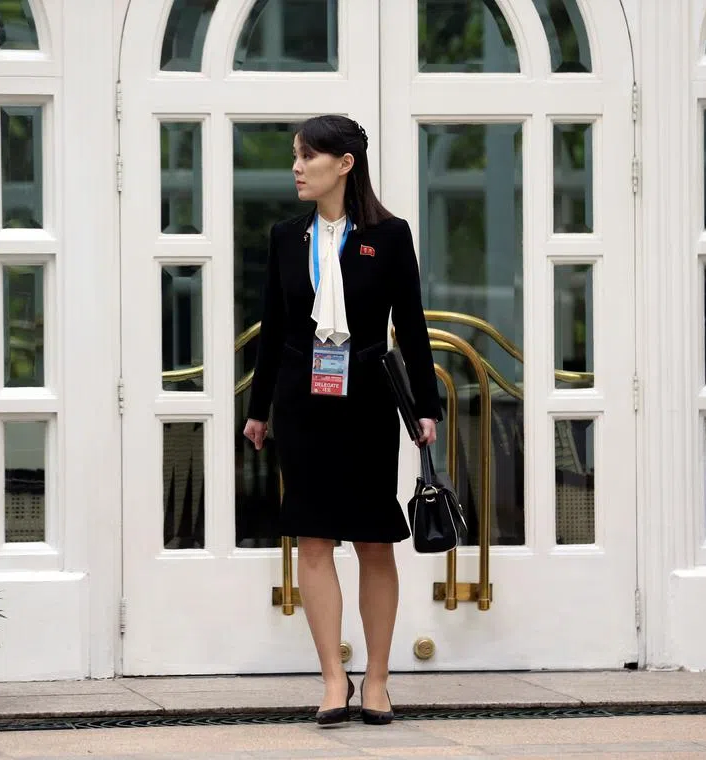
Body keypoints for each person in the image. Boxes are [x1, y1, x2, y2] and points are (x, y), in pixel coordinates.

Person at [242, 115, 442, 727]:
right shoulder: (284, 235)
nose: (297, 167)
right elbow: (273, 328)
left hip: (368, 403)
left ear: (344, 163)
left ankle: (377, 681)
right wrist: (258, 409)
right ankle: (334, 680)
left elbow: (410, 326)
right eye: (296, 156)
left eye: (307, 156)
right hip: (302, 403)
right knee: (313, 537)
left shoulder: (390, 234)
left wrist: (425, 407)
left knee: (373, 538)